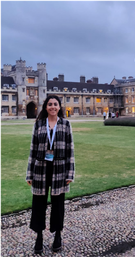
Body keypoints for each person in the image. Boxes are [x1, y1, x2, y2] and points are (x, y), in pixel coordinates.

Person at [26, 95, 75, 254]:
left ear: (59, 107)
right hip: (40, 168)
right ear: (45, 107)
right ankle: (39, 237)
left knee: (58, 205)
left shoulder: (66, 124)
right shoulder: (39, 124)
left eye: (55, 104)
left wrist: (70, 173)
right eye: (50, 104)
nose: (53, 107)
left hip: (59, 168)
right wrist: (29, 174)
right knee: (38, 205)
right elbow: (32, 150)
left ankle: (57, 236)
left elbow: (70, 150)